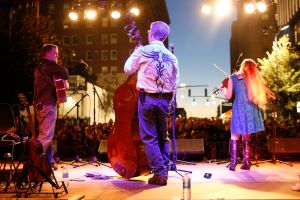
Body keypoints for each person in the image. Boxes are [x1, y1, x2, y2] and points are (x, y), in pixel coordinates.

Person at [124, 21, 179, 185]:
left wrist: (135, 52)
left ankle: (160, 173)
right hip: (165, 100)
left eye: (149, 29)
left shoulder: (143, 51)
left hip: (147, 98)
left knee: (150, 137)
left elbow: (128, 69)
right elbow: (175, 82)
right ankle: (164, 168)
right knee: (164, 136)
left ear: (151, 33)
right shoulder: (172, 56)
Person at [221, 58, 274, 171]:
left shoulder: (233, 77)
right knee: (246, 136)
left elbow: (228, 96)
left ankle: (233, 163)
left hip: (238, 107)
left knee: (234, 135)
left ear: (242, 65)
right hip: (250, 108)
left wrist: (223, 90)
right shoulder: (252, 79)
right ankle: (246, 163)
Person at [34, 44, 69, 170]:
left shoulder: (39, 67)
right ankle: (37, 165)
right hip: (48, 104)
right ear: (48, 53)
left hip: (40, 105)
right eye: (55, 53)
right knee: (46, 136)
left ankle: (48, 161)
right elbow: (64, 72)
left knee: (45, 133)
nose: (57, 55)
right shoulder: (49, 65)